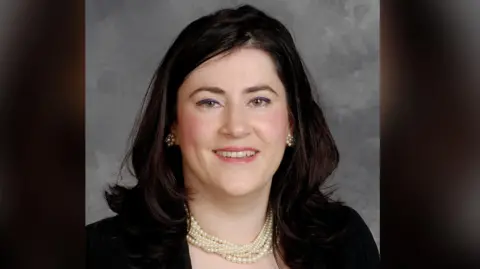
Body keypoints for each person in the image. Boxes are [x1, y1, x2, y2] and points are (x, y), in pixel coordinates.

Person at [86, 5, 379, 269]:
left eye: (259, 101)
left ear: (291, 124)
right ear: (172, 126)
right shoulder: (98, 255)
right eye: (209, 102)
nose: (236, 127)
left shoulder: (345, 243)